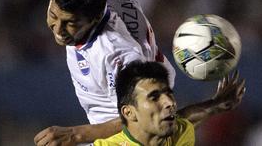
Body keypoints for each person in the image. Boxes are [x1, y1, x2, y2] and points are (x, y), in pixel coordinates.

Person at [34, 0, 245, 145]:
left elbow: (146, 123)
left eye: (70, 23)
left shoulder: (117, 54)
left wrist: (75, 134)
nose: (58, 29)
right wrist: (214, 105)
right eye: (53, 14)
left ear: (96, 17)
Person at [94, 61, 246, 145]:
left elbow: (186, 118)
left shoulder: (178, 135)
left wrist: (216, 104)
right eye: (153, 97)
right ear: (129, 112)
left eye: (168, 93)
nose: (169, 102)